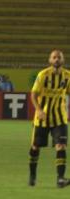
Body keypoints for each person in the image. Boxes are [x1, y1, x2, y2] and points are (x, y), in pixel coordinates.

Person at [28, 49, 69, 188]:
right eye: (54, 57)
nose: (57, 59)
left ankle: (60, 179)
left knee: (61, 146)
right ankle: (32, 175)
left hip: (60, 118)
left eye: (59, 57)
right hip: (42, 118)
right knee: (35, 147)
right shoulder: (43, 75)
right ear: (50, 60)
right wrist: (39, 110)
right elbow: (33, 94)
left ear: (63, 60)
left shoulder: (68, 76)